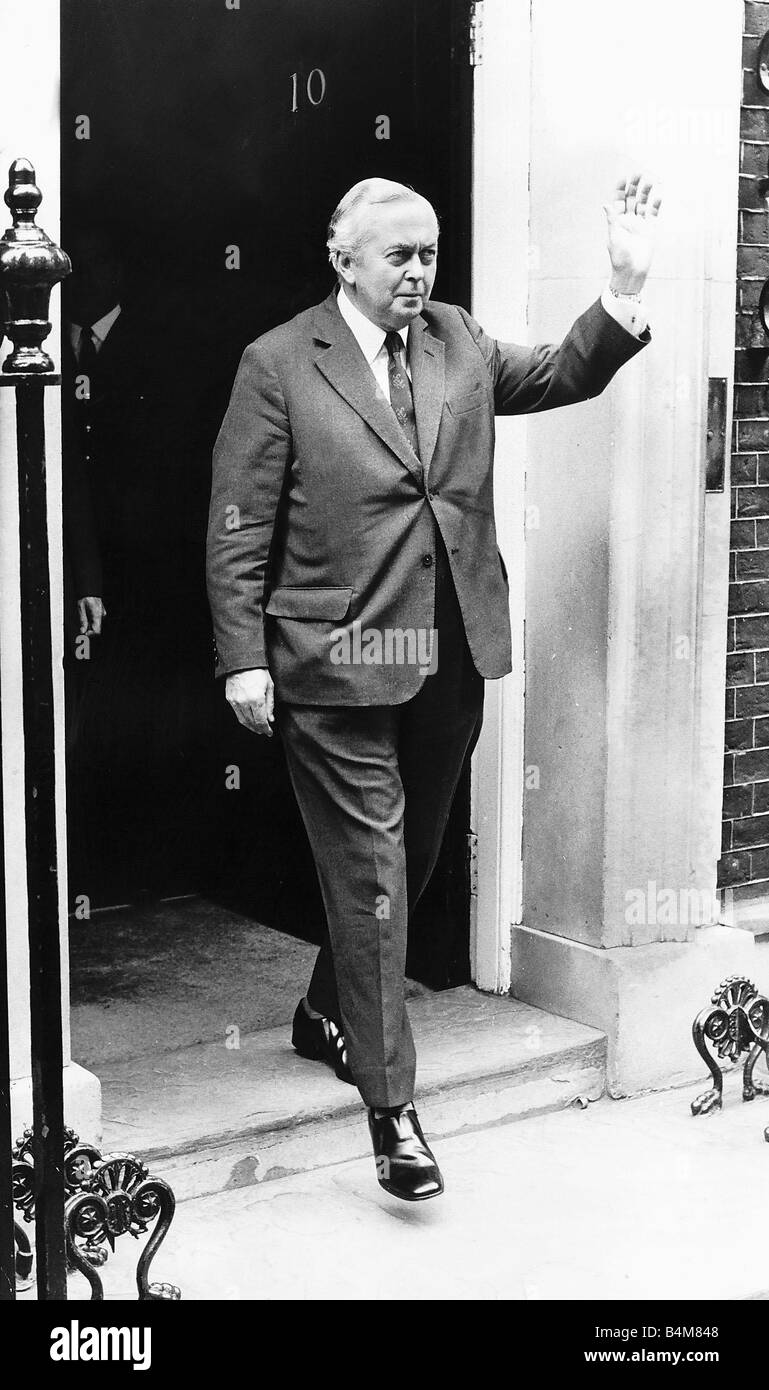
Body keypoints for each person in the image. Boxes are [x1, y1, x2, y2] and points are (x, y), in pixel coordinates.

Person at [206, 173, 661, 1202]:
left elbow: (557, 373)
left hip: (448, 657)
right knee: (371, 871)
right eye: (398, 255)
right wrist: (242, 655)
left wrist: (622, 288)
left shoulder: (455, 338)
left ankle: (326, 1008)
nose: (417, 272)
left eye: (429, 253)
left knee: (403, 864)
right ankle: (391, 1108)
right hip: (334, 666)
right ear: (344, 259)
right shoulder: (279, 364)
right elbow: (237, 526)